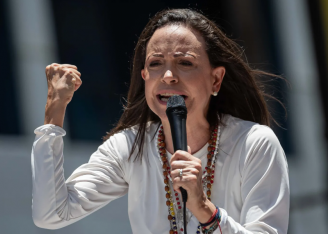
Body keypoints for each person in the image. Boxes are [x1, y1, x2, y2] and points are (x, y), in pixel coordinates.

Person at [31, 9, 289, 234]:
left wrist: (204, 209)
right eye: (155, 63)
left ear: (216, 80)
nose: (168, 76)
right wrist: (54, 111)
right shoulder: (130, 146)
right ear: (144, 76)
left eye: (184, 62)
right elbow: (51, 214)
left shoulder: (254, 143)